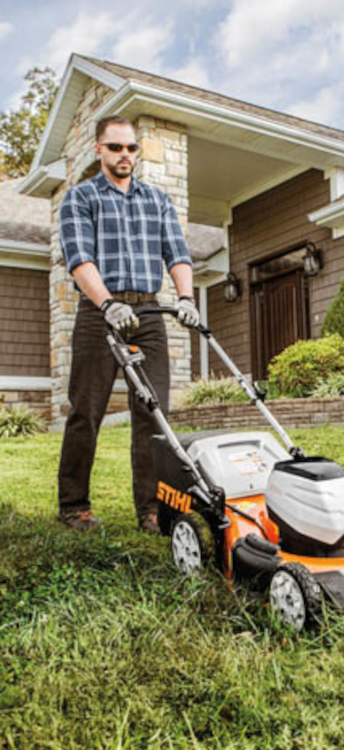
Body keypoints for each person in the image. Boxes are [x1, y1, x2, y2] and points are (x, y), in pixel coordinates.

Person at [57, 114, 200, 533]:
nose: (125, 155)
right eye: (116, 147)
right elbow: (79, 258)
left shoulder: (156, 200)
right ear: (99, 150)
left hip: (149, 313)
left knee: (153, 413)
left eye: (131, 148)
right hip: (99, 313)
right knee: (87, 409)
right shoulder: (81, 198)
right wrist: (106, 305)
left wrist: (186, 297)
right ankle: (74, 505)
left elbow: (177, 254)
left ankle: (152, 510)